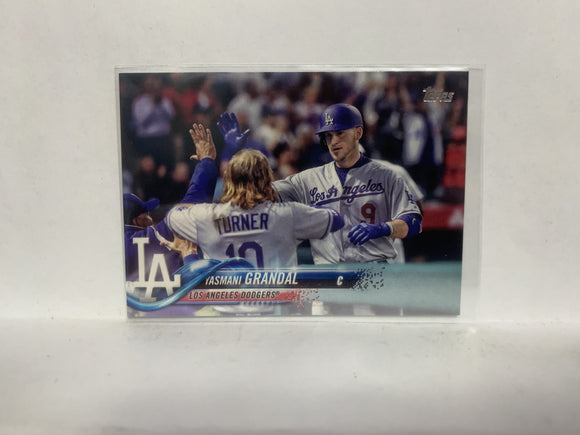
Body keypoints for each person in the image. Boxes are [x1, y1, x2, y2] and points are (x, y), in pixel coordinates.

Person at [218, 104, 422, 264]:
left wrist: (384, 228)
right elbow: (256, 194)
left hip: (376, 274)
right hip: (330, 278)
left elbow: (414, 221)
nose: (333, 141)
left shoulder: (388, 175)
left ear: (358, 133)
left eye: (340, 133)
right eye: (328, 136)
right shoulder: (308, 179)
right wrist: (238, 157)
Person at [165, 145, 345, 269]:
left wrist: (189, 252)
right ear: (268, 179)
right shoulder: (288, 213)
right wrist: (306, 206)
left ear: (229, 180)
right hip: (277, 308)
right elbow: (337, 220)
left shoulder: (206, 216)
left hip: (225, 309)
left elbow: (172, 217)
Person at [123, 123, 217, 282]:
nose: (151, 219)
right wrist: (207, 162)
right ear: (136, 221)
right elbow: (190, 205)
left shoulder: (109, 248)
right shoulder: (150, 237)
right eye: (146, 214)